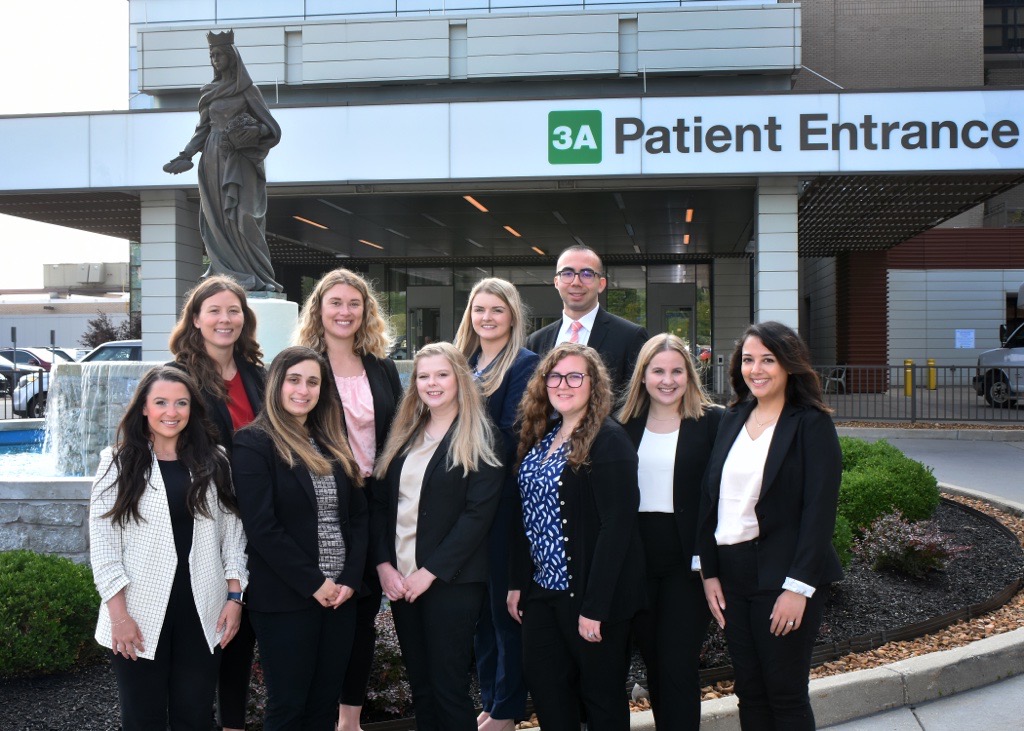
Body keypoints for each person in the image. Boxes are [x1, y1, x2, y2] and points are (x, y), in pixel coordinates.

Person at [696, 321, 843, 731]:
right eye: (748, 360)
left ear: (789, 366)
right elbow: (710, 501)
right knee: (750, 691)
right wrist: (708, 570)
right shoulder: (733, 418)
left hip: (783, 575)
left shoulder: (811, 423)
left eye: (768, 360)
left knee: (785, 693)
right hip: (731, 573)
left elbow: (819, 512)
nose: (756, 369)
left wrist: (798, 588)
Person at [89, 366, 247, 731]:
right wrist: (119, 616)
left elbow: (234, 535)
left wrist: (234, 598)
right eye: (160, 402)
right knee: (142, 719)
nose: (171, 412)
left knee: (194, 718)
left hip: (203, 611)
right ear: (144, 407)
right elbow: (104, 545)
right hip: (139, 613)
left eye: (181, 403)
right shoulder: (117, 462)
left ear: (192, 409)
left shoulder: (216, 461)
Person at [508, 343, 645, 731]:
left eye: (574, 376)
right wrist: (518, 583)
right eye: (555, 376)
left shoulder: (609, 440)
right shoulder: (542, 436)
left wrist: (595, 607)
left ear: (593, 384)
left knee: (601, 700)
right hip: (542, 594)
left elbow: (618, 527)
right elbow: (526, 516)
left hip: (588, 597)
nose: (563, 384)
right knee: (549, 693)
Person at [231, 347, 368, 731]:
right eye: (294, 380)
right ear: (277, 384)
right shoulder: (253, 443)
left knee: (324, 706)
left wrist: (348, 581)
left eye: (313, 382)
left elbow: (357, 516)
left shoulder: (331, 442)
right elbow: (262, 527)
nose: (303, 390)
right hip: (286, 599)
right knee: (289, 707)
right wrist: (315, 583)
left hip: (339, 598)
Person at [371, 342, 504, 731]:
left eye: (442, 374)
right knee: (422, 687)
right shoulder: (405, 432)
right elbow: (381, 504)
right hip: (400, 581)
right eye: (424, 376)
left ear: (460, 379)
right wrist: (384, 567)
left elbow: (477, 517)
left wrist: (429, 572)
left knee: (448, 686)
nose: (432, 383)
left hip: (451, 581)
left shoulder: (481, 436)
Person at [294, 268, 403, 731]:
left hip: (374, 502)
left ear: (366, 311)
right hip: (322, 501)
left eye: (354, 304)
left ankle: (350, 721)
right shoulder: (304, 363)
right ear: (319, 308)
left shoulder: (380, 365)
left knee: (363, 609)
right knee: (322, 609)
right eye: (335, 302)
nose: (345, 311)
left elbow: (398, 431)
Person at [167, 274, 265, 731]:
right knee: (207, 631)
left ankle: (233, 724)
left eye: (233, 311)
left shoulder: (258, 375)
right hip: (205, 519)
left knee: (241, 635)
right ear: (196, 319)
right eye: (215, 311)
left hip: (258, 515)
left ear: (244, 319)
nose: (225, 319)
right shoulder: (180, 377)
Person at [617, 334, 723, 730]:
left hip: (686, 560)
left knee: (677, 663)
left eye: (677, 371)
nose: (667, 379)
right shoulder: (621, 424)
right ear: (642, 376)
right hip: (634, 557)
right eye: (658, 370)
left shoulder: (714, 422)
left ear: (689, 375)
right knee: (653, 661)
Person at [453, 278, 539, 731]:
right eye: (479, 309)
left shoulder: (525, 365)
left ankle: (507, 708)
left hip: (502, 504)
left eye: (496, 310)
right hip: (464, 504)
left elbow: (511, 436)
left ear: (511, 317)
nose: (486, 318)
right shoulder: (462, 363)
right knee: (480, 613)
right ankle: (490, 697)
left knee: (505, 611)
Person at [164, 29, 283, 292]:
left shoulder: (247, 90)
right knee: (215, 216)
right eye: (211, 55)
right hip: (212, 158)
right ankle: (221, 267)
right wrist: (186, 155)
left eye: (218, 54)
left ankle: (256, 273)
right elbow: (202, 129)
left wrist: (251, 132)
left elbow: (272, 129)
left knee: (245, 217)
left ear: (231, 56)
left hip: (241, 160)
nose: (214, 59)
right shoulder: (209, 91)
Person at [525, 245, 648, 394]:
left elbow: (636, 401)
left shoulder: (630, 337)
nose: (576, 282)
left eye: (587, 274)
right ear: (557, 282)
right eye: (568, 273)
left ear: (601, 284)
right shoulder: (535, 342)